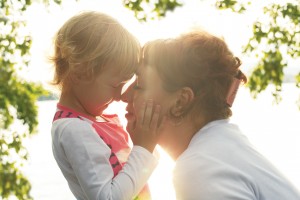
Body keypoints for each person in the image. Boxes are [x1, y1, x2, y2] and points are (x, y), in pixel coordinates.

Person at [121, 30, 300, 200]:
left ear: (180, 101)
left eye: (139, 84)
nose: (124, 96)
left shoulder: (200, 167)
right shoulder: (223, 149)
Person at [50, 11, 162, 200]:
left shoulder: (89, 123)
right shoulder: (74, 129)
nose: (121, 95)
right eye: (115, 85)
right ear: (80, 72)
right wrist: (144, 147)